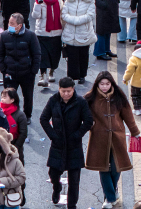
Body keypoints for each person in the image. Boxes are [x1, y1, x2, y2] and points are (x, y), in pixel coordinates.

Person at [85, 71, 141, 209]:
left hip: (117, 137)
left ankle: (113, 191)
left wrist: (135, 132)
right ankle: (109, 198)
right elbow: (82, 113)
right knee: (103, 168)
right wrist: (89, 124)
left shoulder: (119, 97)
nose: (104, 87)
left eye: (107, 84)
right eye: (102, 84)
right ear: (97, 84)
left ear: (111, 84)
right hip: (99, 138)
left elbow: (128, 115)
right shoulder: (90, 98)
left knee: (117, 167)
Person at [41, 77, 95, 209]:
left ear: (73, 90)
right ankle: (57, 187)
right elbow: (43, 119)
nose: (66, 94)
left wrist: (77, 135)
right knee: (53, 173)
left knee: (74, 180)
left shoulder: (81, 102)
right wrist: (53, 136)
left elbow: (88, 121)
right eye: (63, 91)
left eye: (69, 91)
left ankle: (72, 205)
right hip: (58, 144)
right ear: (59, 89)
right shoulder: (53, 100)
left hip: (73, 145)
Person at [0, 13, 41, 119]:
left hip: (27, 73)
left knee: (28, 96)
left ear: (20, 25)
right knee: (9, 97)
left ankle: (27, 116)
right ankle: (11, 116)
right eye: (9, 23)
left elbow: (37, 54)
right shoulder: (4, 36)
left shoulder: (30, 36)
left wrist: (33, 71)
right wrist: (3, 69)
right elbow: (0, 54)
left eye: (12, 23)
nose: (9, 25)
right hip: (10, 73)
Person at [62, 0, 97, 83]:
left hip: (84, 33)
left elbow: (90, 16)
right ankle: (72, 77)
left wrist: (74, 20)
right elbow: (64, 14)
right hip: (70, 33)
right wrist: (74, 20)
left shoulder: (90, 0)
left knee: (83, 56)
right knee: (71, 57)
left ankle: (82, 75)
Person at [32, 0, 64, 86]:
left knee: (55, 55)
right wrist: (37, 4)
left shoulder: (59, 0)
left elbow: (63, 15)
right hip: (42, 33)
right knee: (43, 56)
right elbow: (35, 15)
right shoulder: (40, 0)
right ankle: (43, 76)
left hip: (56, 33)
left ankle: (52, 71)